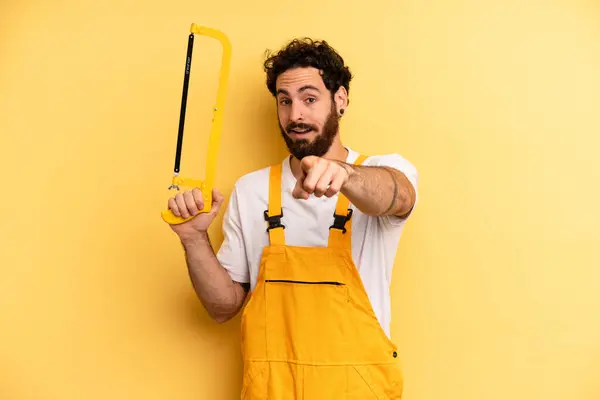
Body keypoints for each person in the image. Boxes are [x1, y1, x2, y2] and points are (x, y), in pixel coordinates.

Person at [167, 37, 418, 399]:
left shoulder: (381, 170)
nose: (295, 115)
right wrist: (193, 239)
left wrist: (344, 175)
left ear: (341, 100)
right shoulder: (251, 190)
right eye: (285, 101)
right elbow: (222, 308)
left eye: (309, 98)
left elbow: (398, 196)